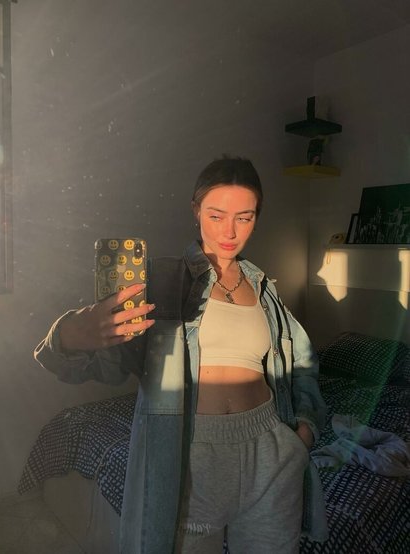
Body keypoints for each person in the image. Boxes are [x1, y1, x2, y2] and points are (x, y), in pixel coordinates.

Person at [34, 156, 328, 554]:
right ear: (196, 210)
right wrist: (72, 333)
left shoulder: (264, 289)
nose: (229, 231)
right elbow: (103, 365)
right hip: (189, 456)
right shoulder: (162, 282)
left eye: (244, 217)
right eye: (216, 215)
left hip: (269, 451)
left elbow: (303, 362)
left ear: (256, 217)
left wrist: (304, 431)